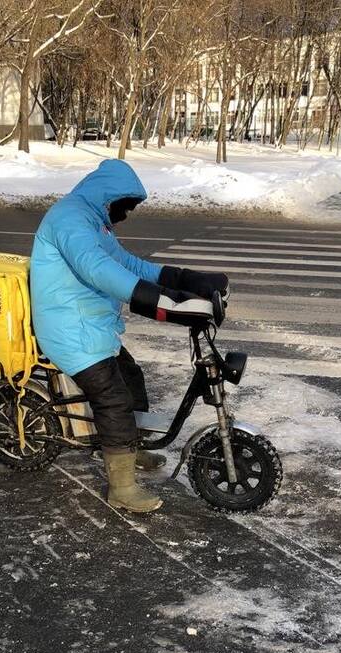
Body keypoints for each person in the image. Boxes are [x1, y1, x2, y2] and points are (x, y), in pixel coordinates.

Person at [30, 159, 228, 514]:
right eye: (125, 207)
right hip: (69, 330)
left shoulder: (94, 222)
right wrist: (157, 302)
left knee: (131, 377)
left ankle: (130, 448)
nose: (127, 214)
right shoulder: (69, 220)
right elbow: (99, 270)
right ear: (108, 197)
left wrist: (184, 278)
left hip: (91, 328)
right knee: (113, 399)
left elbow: (130, 265)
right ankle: (121, 488)